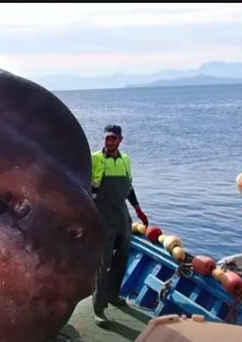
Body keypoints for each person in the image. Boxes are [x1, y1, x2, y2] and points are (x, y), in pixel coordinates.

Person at [90, 124, 148, 328]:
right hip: (102, 217)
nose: (110, 142)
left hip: (122, 217)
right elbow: (85, 187)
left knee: (122, 259)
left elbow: (129, 187)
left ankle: (113, 295)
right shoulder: (95, 158)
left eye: (114, 139)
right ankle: (99, 309)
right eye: (107, 138)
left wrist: (138, 209)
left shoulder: (125, 160)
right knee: (102, 264)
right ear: (103, 139)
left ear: (120, 140)